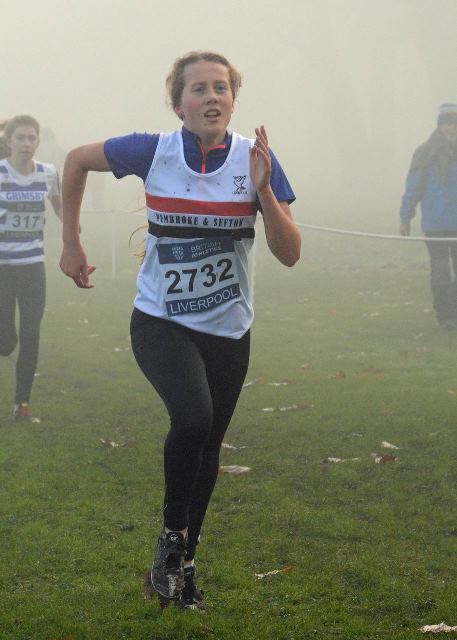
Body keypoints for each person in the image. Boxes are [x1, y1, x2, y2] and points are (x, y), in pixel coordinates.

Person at [59, 50, 301, 610]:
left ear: (233, 100)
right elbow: (75, 161)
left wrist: (264, 191)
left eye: (221, 87)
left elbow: (290, 254)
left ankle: (182, 567)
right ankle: (171, 544)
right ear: (178, 105)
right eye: (199, 89)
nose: (212, 96)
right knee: (192, 417)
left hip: (228, 329)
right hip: (161, 321)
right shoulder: (153, 150)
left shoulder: (255, 158)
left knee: (208, 444)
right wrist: (71, 242)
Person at [0, 115, 62, 421]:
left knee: (31, 334)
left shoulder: (48, 173)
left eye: (31, 138)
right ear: (8, 141)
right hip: (2, 268)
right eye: (20, 137)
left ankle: (22, 404)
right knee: (6, 341)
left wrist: (73, 232)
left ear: (38, 141)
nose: (26, 143)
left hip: (33, 267)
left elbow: (61, 207)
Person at [400, 103, 457, 329]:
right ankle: (445, 316)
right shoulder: (425, 153)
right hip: (436, 225)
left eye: (454, 123)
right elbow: (413, 187)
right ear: (440, 125)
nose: (451, 127)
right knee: (440, 272)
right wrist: (406, 217)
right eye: (447, 123)